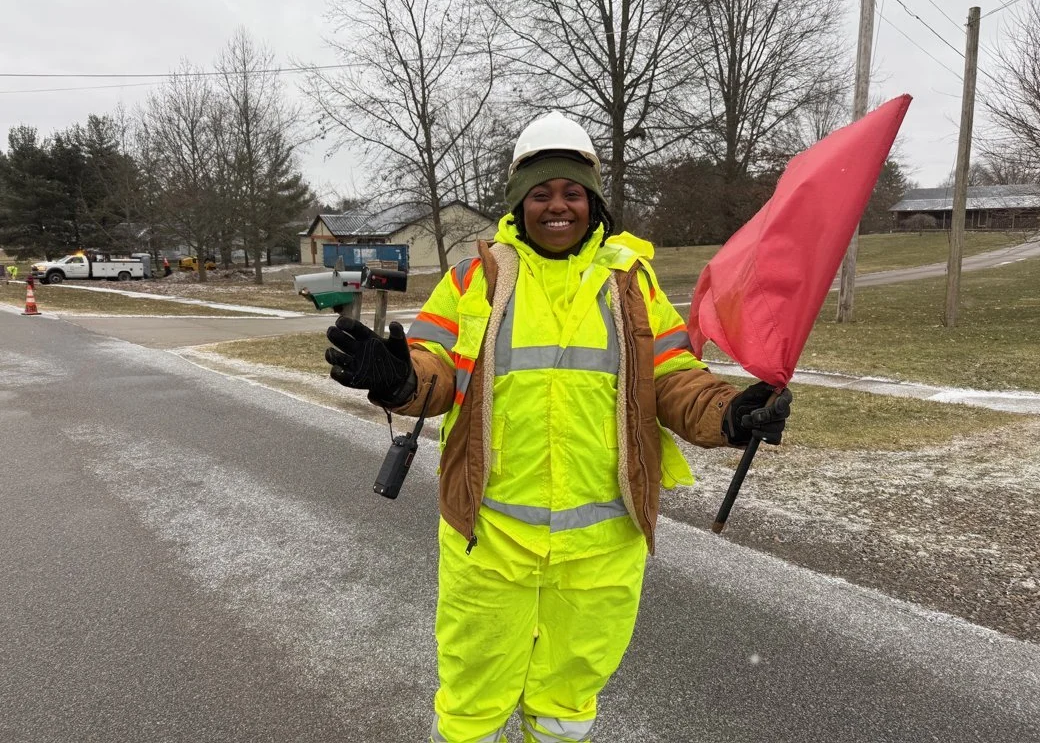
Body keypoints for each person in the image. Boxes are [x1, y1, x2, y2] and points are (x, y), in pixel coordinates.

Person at [324, 111, 792, 742]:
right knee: (472, 704)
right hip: (488, 539)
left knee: (565, 709)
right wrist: (398, 378)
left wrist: (731, 413)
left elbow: (675, 376)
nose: (557, 207)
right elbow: (434, 366)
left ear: (592, 201)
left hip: (602, 546)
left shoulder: (631, 282)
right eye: (541, 193)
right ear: (520, 202)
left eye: (572, 192)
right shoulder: (475, 278)